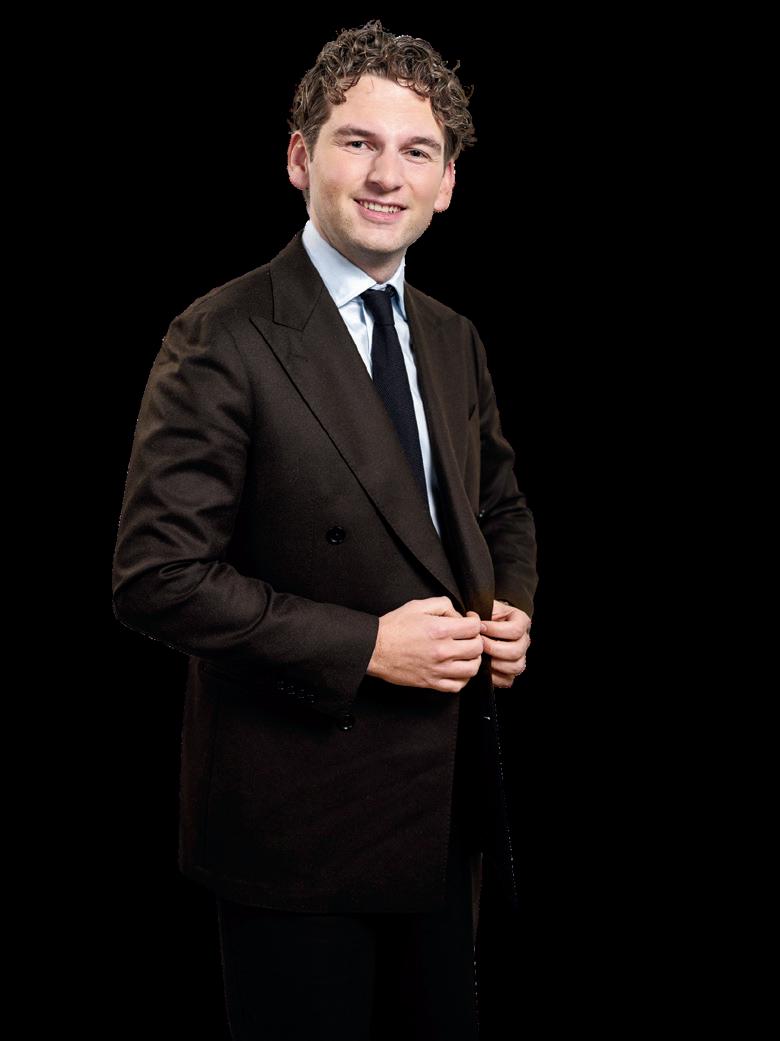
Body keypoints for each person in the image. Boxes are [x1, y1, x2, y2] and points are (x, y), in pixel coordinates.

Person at [112, 18, 537, 1041]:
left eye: (417, 152)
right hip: (297, 819)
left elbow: (501, 506)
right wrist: (367, 647)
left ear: (446, 185)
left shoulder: (451, 335)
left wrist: (510, 605)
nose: (388, 175)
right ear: (301, 159)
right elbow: (157, 574)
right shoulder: (220, 335)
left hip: (444, 806)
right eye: (358, 142)